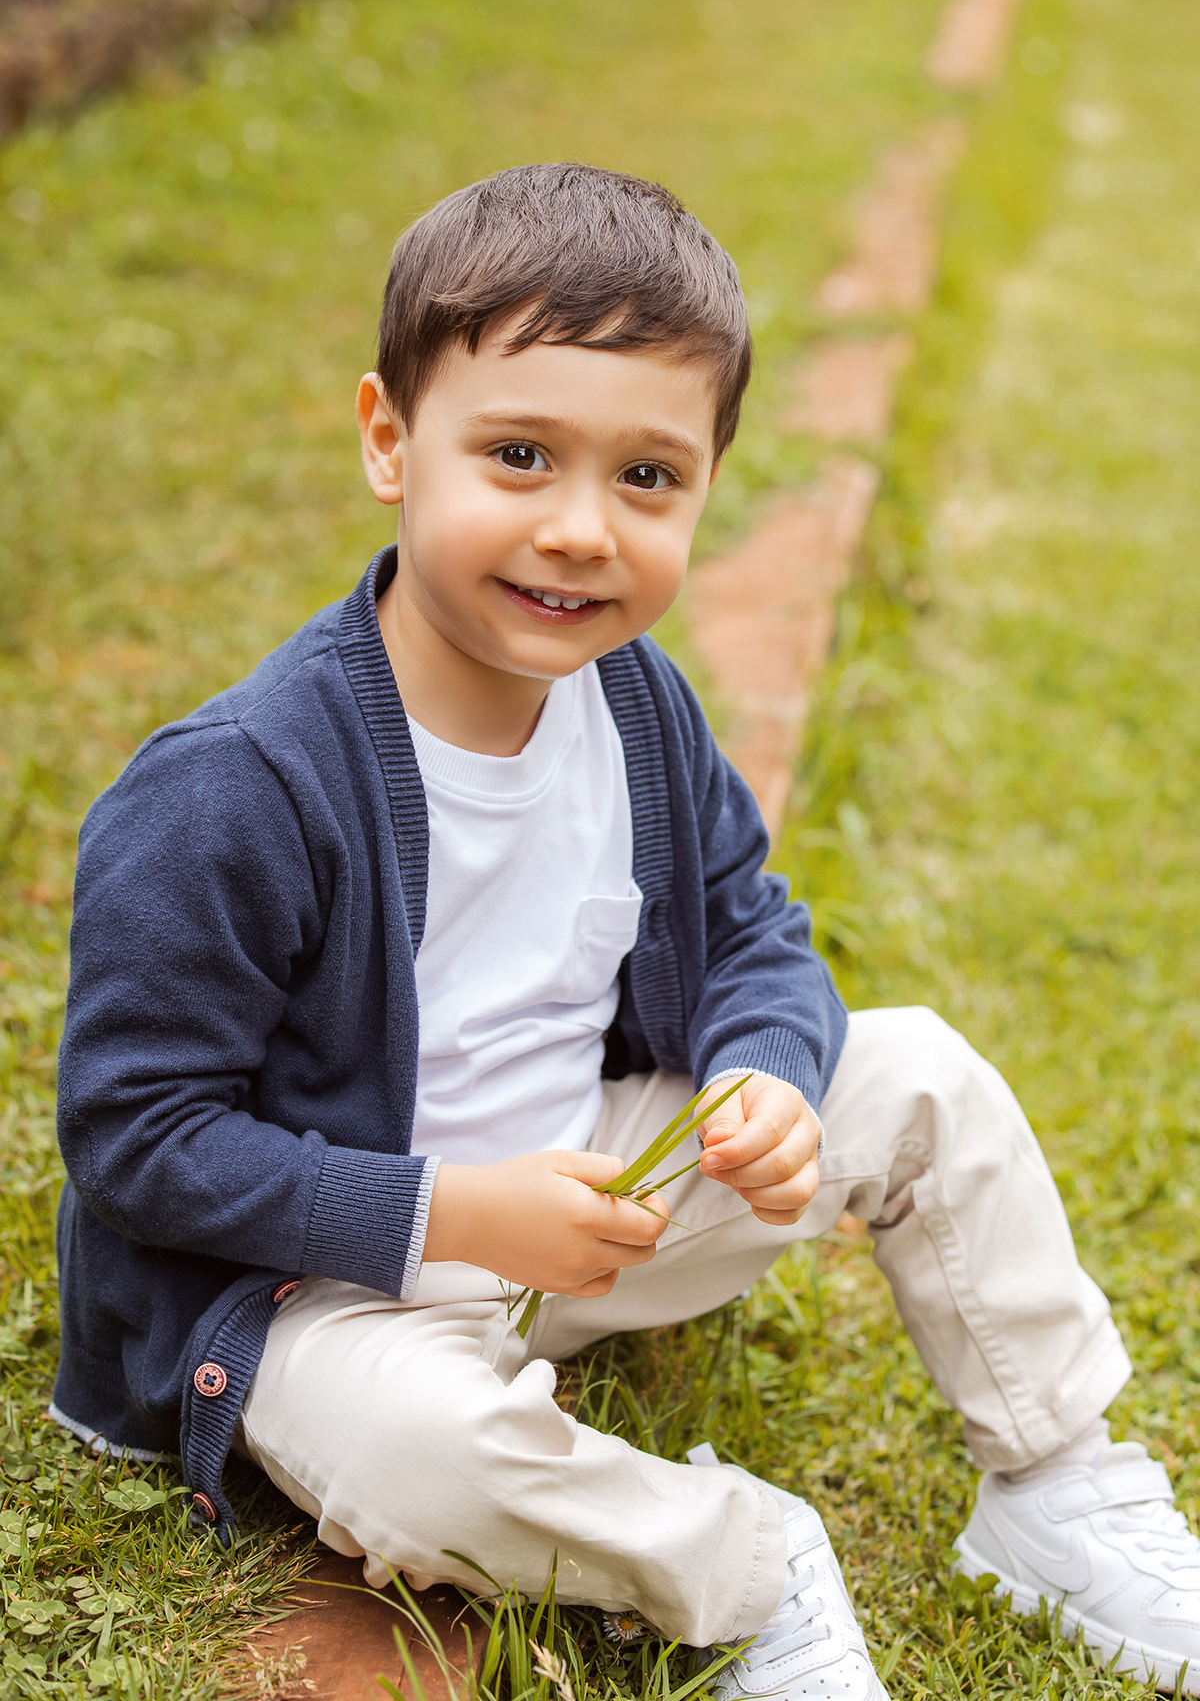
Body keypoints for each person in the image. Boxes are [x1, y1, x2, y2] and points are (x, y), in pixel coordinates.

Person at [54, 164, 1199, 1701]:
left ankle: (1054, 1486)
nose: (582, 530)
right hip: (321, 1295)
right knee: (417, 1453)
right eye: (519, 455)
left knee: (919, 1071)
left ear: (710, 483)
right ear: (392, 442)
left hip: (597, 1206)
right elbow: (137, 1137)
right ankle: (745, 1567)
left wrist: (764, 1077)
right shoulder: (239, 785)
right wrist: (450, 1214)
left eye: (648, 478)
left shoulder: (637, 709)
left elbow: (754, 934)